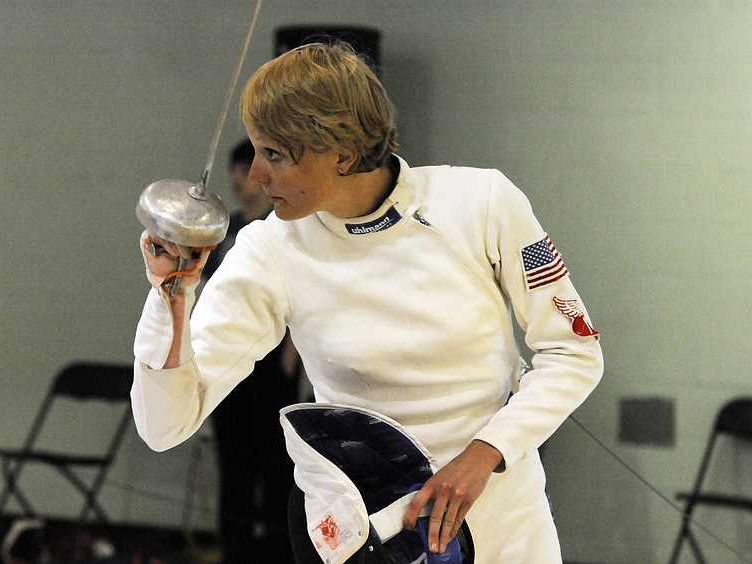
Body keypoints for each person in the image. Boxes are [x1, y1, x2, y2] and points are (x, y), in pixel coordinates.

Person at [132, 42, 603, 563]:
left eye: (276, 155)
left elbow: (574, 353)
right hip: (364, 533)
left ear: (343, 154)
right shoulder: (269, 250)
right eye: (257, 151)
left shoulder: (483, 203)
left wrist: (485, 453)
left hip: (501, 519)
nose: (258, 176)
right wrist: (171, 300)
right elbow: (164, 425)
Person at [201, 139, 300, 563]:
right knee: (234, 464)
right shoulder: (227, 234)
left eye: (244, 171)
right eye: (237, 173)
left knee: (277, 464)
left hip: (273, 363)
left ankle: (279, 552)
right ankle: (235, 552)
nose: (239, 182)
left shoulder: (290, 230)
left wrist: (292, 357)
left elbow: (304, 296)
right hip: (230, 363)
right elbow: (210, 295)